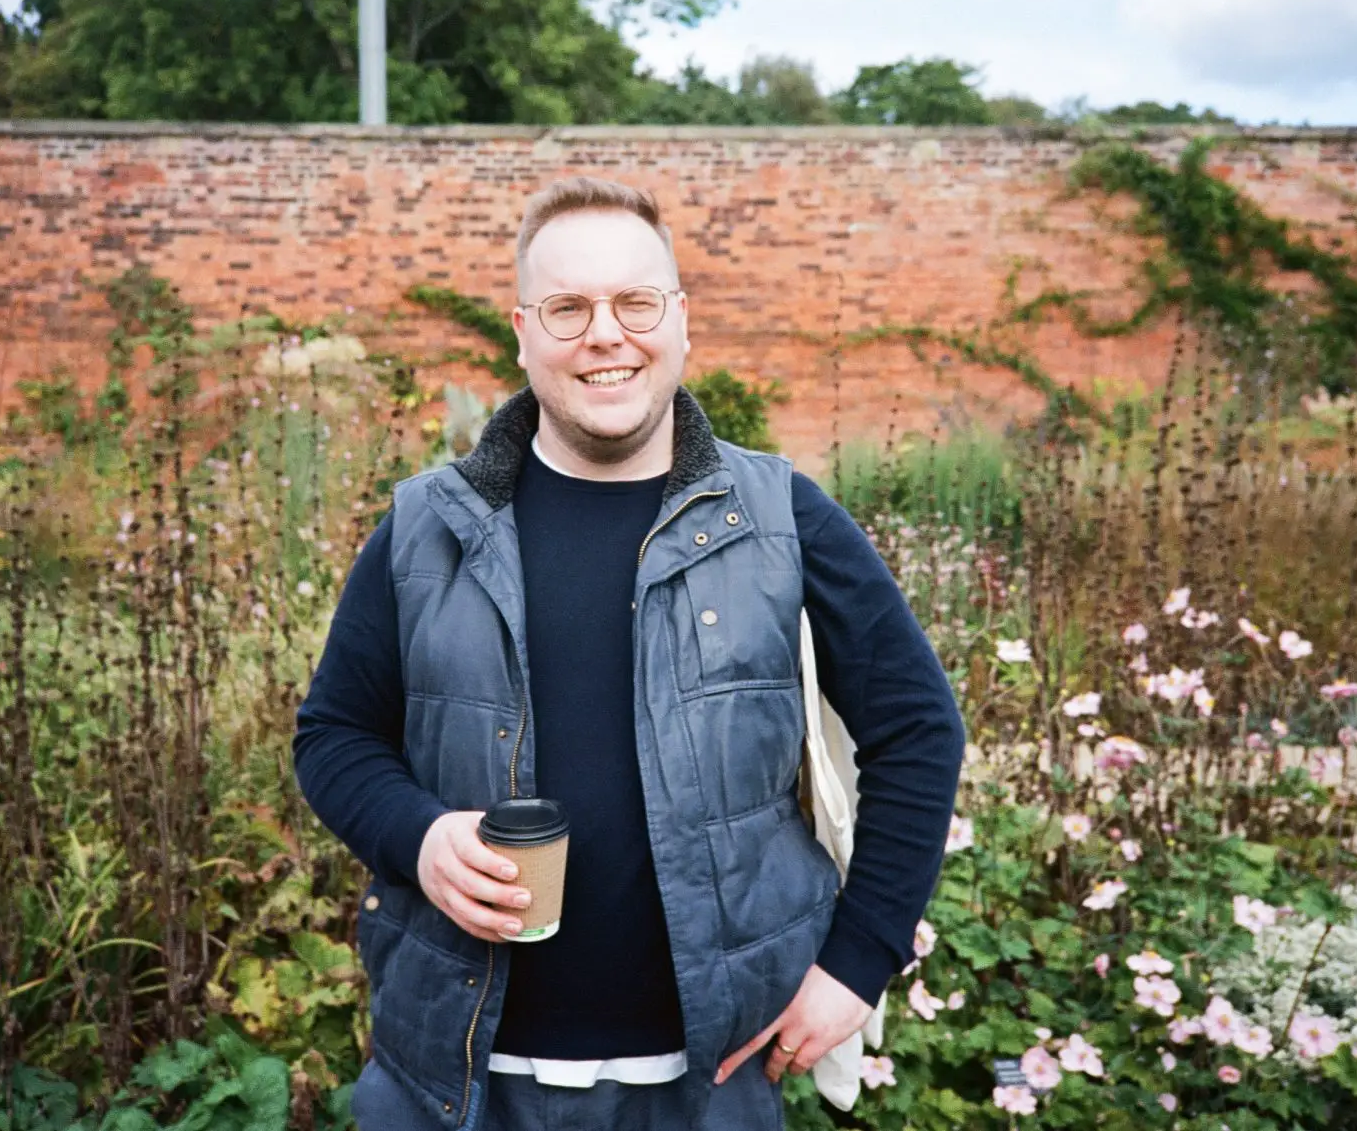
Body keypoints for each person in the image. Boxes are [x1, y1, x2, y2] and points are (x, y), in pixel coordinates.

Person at [294, 176, 964, 1131]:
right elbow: (333, 736)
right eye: (567, 307)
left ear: (680, 320)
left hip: (709, 1089)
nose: (605, 334)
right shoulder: (425, 528)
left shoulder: (782, 518)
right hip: (453, 1085)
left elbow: (919, 730)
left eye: (635, 302)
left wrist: (857, 963)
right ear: (522, 331)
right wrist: (422, 836)